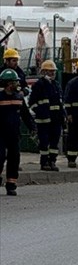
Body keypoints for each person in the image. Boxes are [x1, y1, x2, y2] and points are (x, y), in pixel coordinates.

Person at [0, 67, 35, 195]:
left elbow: (25, 114)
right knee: (0, 157)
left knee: (14, 159)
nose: (18, 84)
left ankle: (11, 184)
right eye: (15, 82)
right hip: (1, 134)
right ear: (9, 84)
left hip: (14, 134)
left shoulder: (19, 98)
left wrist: (32, 127)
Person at [29, 59, 64, 171]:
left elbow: (60, 102)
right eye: (50, 71)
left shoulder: (56, 85)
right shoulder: (39, 85)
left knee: (54, 141)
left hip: (55, 119)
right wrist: (41, 112)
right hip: (43, 120)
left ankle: (52, 161)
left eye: (53, 71)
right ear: (44, 72)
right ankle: (44, 162)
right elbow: (32, 103)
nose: (52, 73)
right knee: (44, 142)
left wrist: (63, 116)